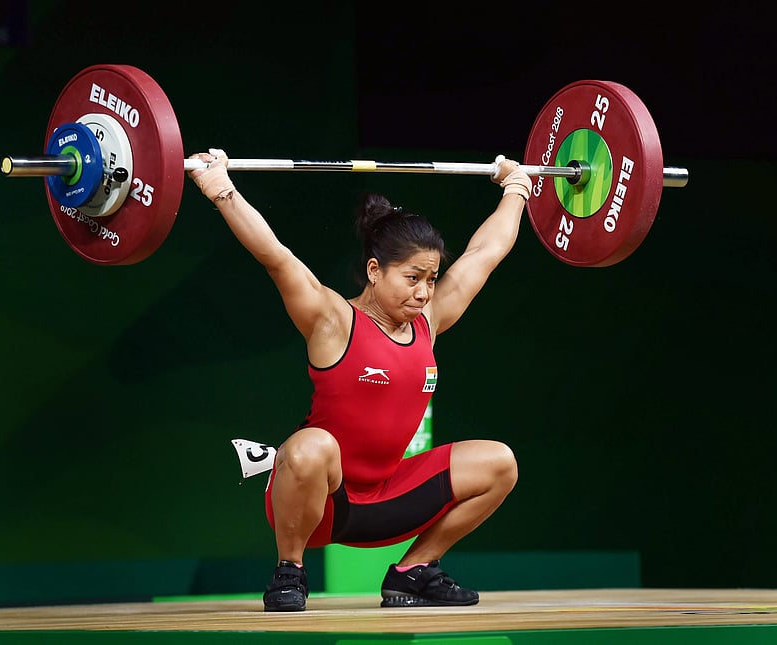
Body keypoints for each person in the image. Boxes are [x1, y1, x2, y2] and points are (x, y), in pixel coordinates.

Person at [187, 149, 531, 612]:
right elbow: (276, 257)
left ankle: (414, 573)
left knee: (499, 463)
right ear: (374, 271)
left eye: (430, 278)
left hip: (388, 501)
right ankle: (289, 572)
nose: (424, 291)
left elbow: (484, 254)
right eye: (412, 277)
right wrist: (220, 189)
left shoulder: (429, 319)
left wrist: (517, 188)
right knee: (312, 446)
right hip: (323, 504)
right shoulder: (332, 319)